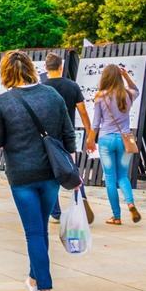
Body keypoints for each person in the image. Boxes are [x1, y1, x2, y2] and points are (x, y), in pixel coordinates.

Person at [0, 50, 76, 291]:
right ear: (31, 67)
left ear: (6, 72)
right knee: (39, 227)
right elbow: (68, 134)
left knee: (34, 231)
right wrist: (72, 167)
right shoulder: (52, 95)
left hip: (21, 174)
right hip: (51, 172)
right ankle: (34, 277)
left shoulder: (3, 102)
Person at [41, 52, 95, 224]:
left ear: (45, 68)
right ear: (61, 67)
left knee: (51, 173)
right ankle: (81, 198)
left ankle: (55, 212)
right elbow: (83, 110)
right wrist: (89, 131)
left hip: (48, 137)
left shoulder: (42, 87)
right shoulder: (72, 86)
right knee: (72, 169)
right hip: (68, 135)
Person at [89, 65, 141, 226]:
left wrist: (90, 140)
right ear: (119, 77)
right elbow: (136, 89)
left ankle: (116, 216)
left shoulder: (100, 97)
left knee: (110, 178)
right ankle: (131, 204)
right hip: (124, 141)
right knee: (123, 176)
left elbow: (96, 123)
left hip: (106, 141)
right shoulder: (128, 95)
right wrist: (126, 76)